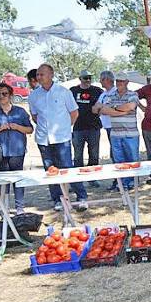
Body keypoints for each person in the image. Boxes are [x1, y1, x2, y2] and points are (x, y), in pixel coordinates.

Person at [28, 64, 88, 211]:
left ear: (51, 75)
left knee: (68, 168)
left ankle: (81, 197)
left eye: (42, 74)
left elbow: (74, 113)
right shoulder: (33, 95)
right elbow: (35, 116)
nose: (39, 77)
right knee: (50, 170)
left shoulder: (63, 92)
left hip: (62, 138)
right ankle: (58, 199)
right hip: (43, 139)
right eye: (38, 75)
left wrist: (66, 128)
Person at [0, 83, 33, 215]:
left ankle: (20, 208)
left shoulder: (20, 111)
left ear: (11, 95)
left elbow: (30, 129)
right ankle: (4, 208)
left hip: (17, 151)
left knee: (18, 179)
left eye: (4, 93)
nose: (1, 96)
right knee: (3, 180)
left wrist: (16, 127)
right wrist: (0, 128)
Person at [100, 71, 140, 191]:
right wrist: (121, 110)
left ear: (127, 82)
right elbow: (104, 110)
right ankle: (122, 183)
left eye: (122, 81)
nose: (119, 83)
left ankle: (132, 182)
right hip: (115, 134)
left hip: (131, 134)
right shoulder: (110, 96)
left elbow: (130, 107)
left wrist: (114, 108)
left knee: (132, 160)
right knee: (119, 161)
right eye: (118, 81)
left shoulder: (133, 94)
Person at [70, 70, 103, 188]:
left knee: (94, 154)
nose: (88, 80)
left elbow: (105, 102)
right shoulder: (73, 91)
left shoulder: (97, 91)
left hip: (94, 127)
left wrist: (99, 108)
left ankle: (92, 178)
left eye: (89, 77)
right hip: (78, 127)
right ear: (80, 78)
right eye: (85, 78)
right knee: (78, 155)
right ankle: (77, 181)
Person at [92, 70, 118, 191]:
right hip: (107, 127)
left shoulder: (116, 92)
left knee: (118, 153)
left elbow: (113, 109)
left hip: (117, 126)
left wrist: (103, 108)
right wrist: (103, 108)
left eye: (101, 79)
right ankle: (117, 180)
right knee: (114, 153)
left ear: (107, 80)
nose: (100, 82)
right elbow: (94, 109)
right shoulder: (103, 94)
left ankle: (122, 181)